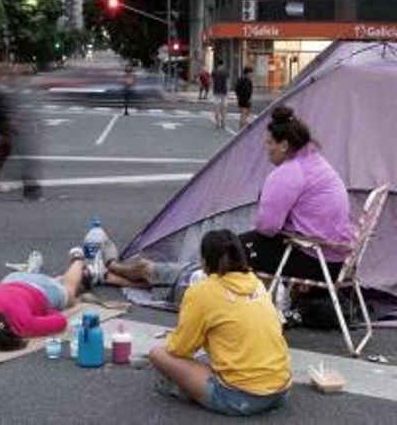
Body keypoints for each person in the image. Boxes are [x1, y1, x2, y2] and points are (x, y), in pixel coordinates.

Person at [147, 229, 291, 416]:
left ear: (205, 263)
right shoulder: (256, 283)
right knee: (208, 357)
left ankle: (186, 390)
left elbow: (180, 349)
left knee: (158, 354)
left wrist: (174, 339)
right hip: (281, 390)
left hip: (242, 398)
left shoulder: (201, 291)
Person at [240, 106, 353, 283]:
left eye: (269, 143)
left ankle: (255, 306)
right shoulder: (316, 162)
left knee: (232, 250)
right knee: (254, 244)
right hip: (338, 258)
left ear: (284, 145)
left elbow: (267, 227)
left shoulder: (289, 172)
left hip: (318, 260)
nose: (267, 150)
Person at [0, 246, 97, 350]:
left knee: (69, 293)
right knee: (47, 284)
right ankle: (33, 272)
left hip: (41, 291)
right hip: (11, 279)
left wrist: (47, 311)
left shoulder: (21, 324)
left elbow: (60, 321)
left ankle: (78, 259)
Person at [211, 60, 229, 130]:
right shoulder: (226, 72)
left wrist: (212, 89)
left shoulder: (214, 72)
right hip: (224, 92)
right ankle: (223, 122)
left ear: (217, 65)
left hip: (216, 91)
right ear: (222, 65)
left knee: (216, 107)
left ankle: (217, 122)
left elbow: (212, 82)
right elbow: (227, 82)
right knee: (224, 108)